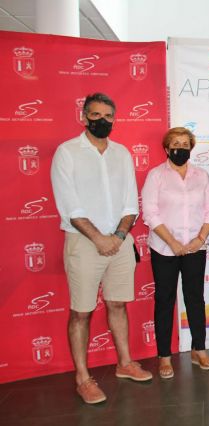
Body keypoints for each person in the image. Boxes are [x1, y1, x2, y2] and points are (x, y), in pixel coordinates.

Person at [50, 93, 152, 404]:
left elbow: (129, 203)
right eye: (96, 115)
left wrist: (118, 237)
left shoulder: (121, 153)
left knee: (118, 304)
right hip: (84, 242)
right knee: (81, 312)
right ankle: (83, 377)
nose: (102, 120)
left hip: (119, 242)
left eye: (108, 115)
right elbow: (70, 206)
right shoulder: (67, 152)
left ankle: (125, 363)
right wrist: (99, 239)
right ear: (84, 117)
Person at [141, 127, 209, 379]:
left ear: (191, 148)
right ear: (166, 148)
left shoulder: (201, 175)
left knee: (195, 298)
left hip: (196, 246)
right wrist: (172, 242)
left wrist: (200, 239)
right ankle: (164, 355)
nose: (180, 148)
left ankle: (199, 349)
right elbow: (150, 213)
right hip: (165, 248)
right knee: (165, 300)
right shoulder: (156, 176)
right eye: (175, 143)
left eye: (185, 143)